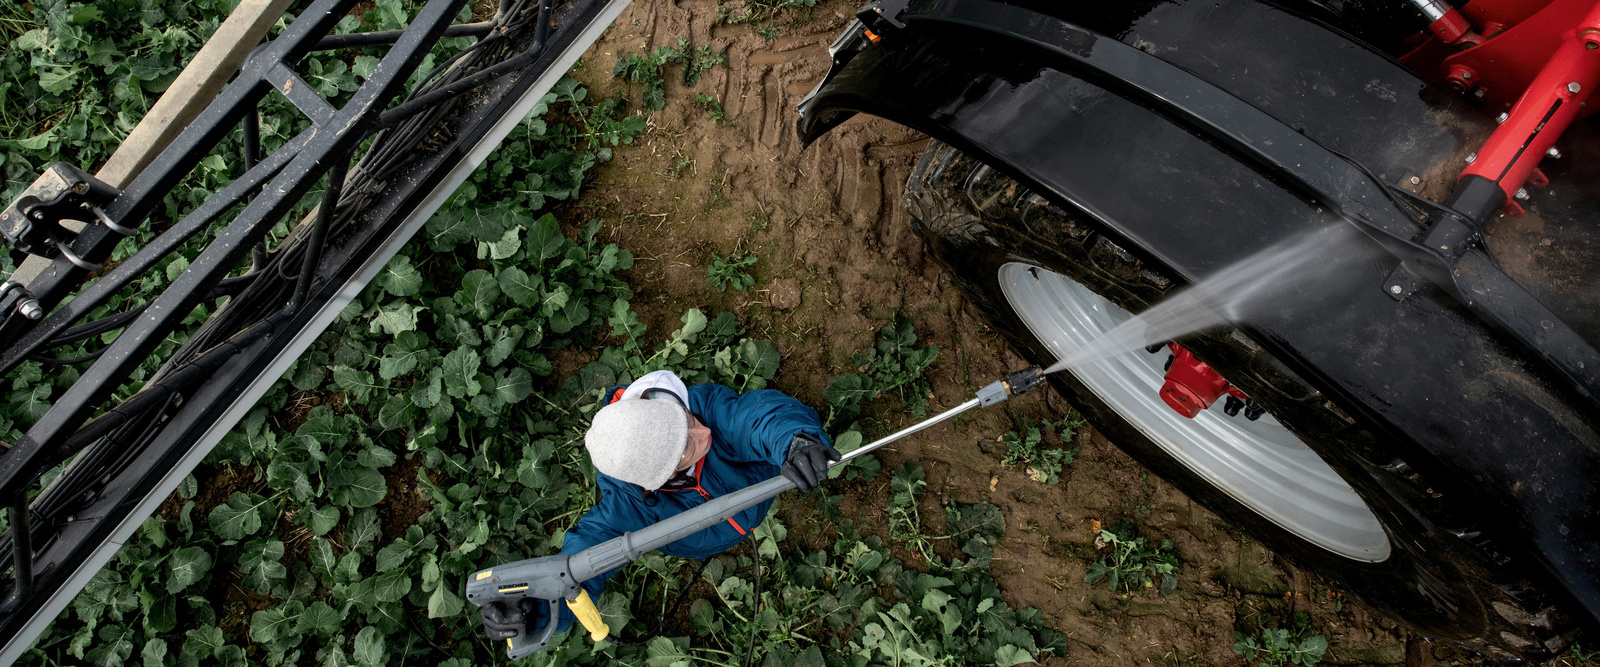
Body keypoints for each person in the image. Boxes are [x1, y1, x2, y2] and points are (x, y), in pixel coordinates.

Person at [479, 370, 841, 640]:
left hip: (756, 494)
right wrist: (537, 609)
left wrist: (795, 441)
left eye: (686, 421)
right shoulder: (626, 508)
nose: (703, 434)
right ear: (659, 480)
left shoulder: (706, 413)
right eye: (685, 449)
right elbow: (577, 567)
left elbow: (758, 418)